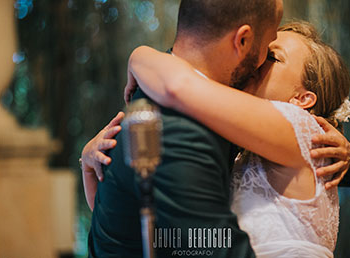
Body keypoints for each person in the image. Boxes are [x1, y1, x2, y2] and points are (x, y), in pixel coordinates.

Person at [118, 21, 350, 256]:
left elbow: (178, 85)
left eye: (272, 57)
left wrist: (138, 56)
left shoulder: (301, 127)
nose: (256, 60)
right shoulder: (250, 147)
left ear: (302, 99)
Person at [83, 0, 287, 256]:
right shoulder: (176, 133)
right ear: (242, 40)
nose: (266, 61)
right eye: (269, 47)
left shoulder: (156, 86)